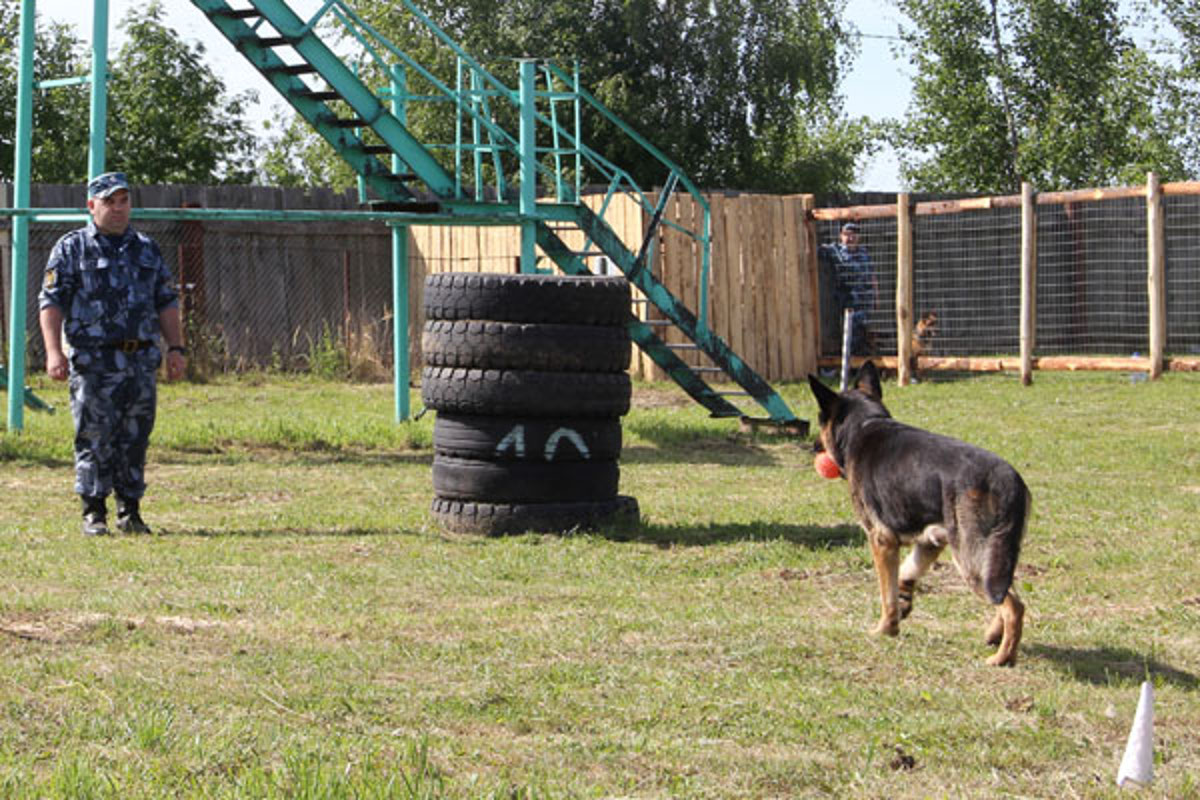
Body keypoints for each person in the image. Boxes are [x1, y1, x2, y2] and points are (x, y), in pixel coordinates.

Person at [38, 172, 187, 536]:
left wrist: (176, 348)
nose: (118, 209)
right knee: (94, 436)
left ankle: (130, 510)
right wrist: (54, 352)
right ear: (92, 206)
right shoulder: (73, 248)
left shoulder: (146, 248)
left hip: (139, 361)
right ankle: (94, 511)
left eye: (124, 201)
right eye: (109, 202)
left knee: (135, 436)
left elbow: (165, 301)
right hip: (94, 362)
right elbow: (52, 301)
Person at [820, 221, 878, 356]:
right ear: (841, 236)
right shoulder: (835, 251)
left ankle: (860, 362)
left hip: (865, 300)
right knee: (849, 333)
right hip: (847, 300)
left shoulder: (864, 253)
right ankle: (848, 364)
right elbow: (816, 250)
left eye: (854, 235)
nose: (850, 238)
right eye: (847, 234)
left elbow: (872, 275)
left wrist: (876, 296)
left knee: (863, 333)